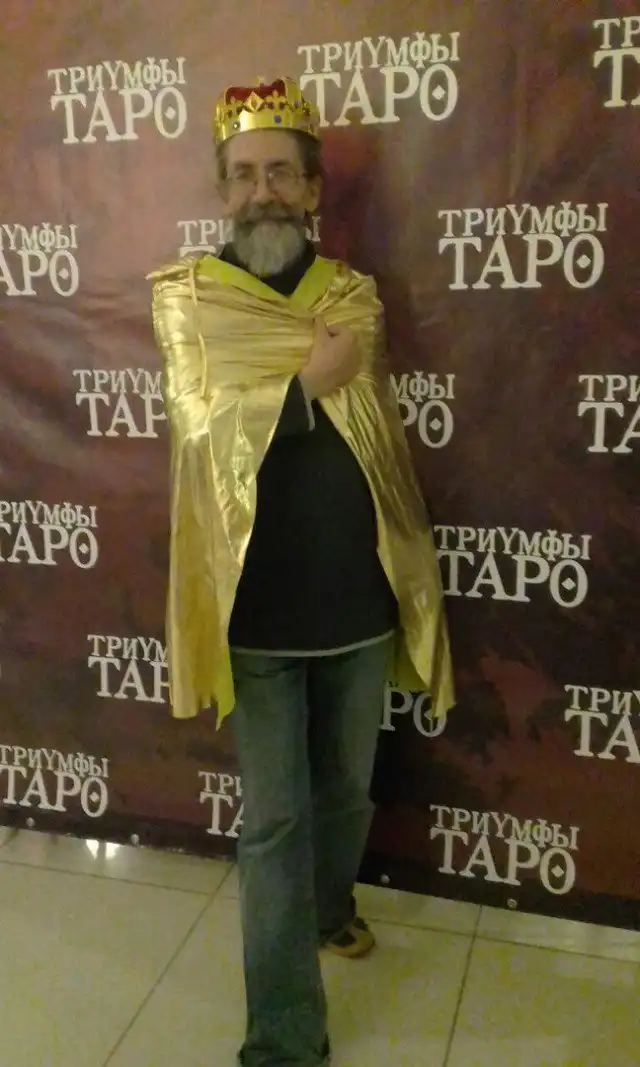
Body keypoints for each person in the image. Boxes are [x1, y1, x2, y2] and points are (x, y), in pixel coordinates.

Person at [149, 77, 455, 1067]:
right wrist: (305, 384)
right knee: (276, 821)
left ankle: (329, 909)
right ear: (222, 190)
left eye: (282, 172)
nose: (263, 191)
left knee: (347, 793)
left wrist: (285, 386)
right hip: (257, 614)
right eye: (244, 174)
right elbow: (200, 429)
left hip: (358, 599)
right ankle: (283, 1035)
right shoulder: (184, 297)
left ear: (314, 189)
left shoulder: (350, 295)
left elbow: (368, 428)